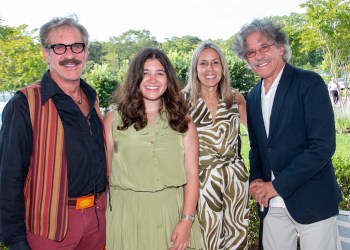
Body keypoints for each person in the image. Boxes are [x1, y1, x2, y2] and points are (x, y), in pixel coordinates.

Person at [232, 19, 342, 250]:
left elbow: (321, 146)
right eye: (251, 52)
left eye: (264, 47)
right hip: (272, 207)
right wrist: (256, 180)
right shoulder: (252, 96)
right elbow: (257, 147)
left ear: (281, 47)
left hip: (313, 201)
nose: (258, 56)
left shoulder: (309, 82)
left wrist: (276, 185)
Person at [0, 15, 107, 250]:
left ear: (86, 52)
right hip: (50, 228)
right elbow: (9, 177)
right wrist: (15, 240)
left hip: (97, 221)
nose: (70, 55)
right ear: (46, 54)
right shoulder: (23, 104)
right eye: (59, 47)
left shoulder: (93, 97)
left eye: (76, 46)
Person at [103, 47, 202, 250]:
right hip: (127, 215)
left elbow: (192, 174)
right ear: (135, 78)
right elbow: (106, 172)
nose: (152, 80)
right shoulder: (114, 120)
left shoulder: (183, 122)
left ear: (168, 79)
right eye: (145, 73)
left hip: (172, 213)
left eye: (159, 73)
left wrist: (187, 220)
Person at [183, 42, 249, 249]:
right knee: (205, 240)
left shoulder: (234, 98)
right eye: (203, 63)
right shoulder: (181, 101)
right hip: (200, 183)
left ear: (223, 67)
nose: (209, 69)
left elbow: (260, 137)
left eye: (215, 63)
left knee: (237, 237)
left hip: (235, 180)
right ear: (195, 68)